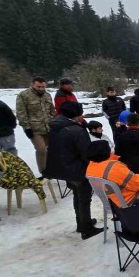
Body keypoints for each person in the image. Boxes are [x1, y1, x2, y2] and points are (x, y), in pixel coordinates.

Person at [43, 101, 102, 239]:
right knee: (84, 198)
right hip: (77, 169)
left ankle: (81, 222)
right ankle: (86, 228)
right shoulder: (76, 131)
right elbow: (86, 153)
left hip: (63, 167)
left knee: (77, 196)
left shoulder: (56, 126)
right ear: (76, 115)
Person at [85, 140, 139, 207]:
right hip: (125, 199)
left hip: (110, 199)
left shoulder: (91, 166)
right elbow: (137, 183)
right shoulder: (113, 167)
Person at [16, 76, 56, 174]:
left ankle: (53, 167)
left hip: (48, 126)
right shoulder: (23, 95)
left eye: (43, 87)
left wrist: (54, 121)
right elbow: (21, 113)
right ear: (32, 84)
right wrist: (27, 128)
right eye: (38, 87)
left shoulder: (47, 95)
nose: (41, 89)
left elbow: (52, 110)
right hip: (34, 128)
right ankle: (43, 171)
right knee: (41, 149)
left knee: (53, 148)